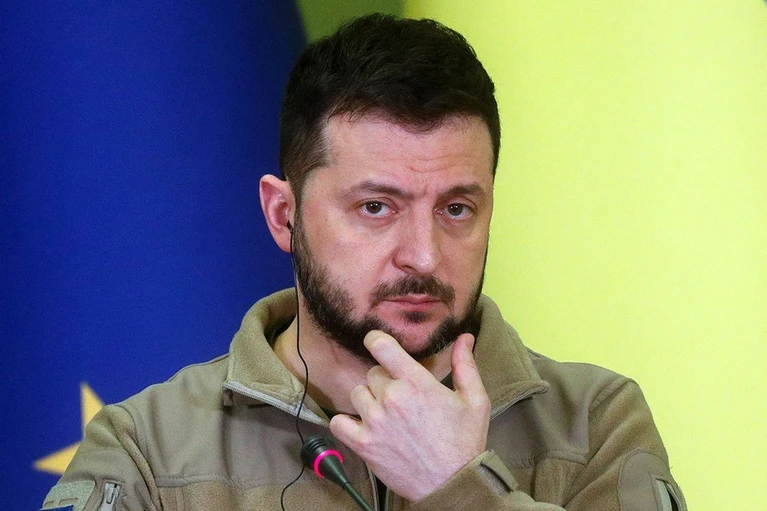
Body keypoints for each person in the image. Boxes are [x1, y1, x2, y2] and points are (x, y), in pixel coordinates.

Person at [41, 14, 685, 511]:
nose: (424, 255)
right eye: (376, 207)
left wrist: (459, 489)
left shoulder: (595, 422)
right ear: (283, 215)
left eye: (456, 208)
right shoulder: (146, 449)